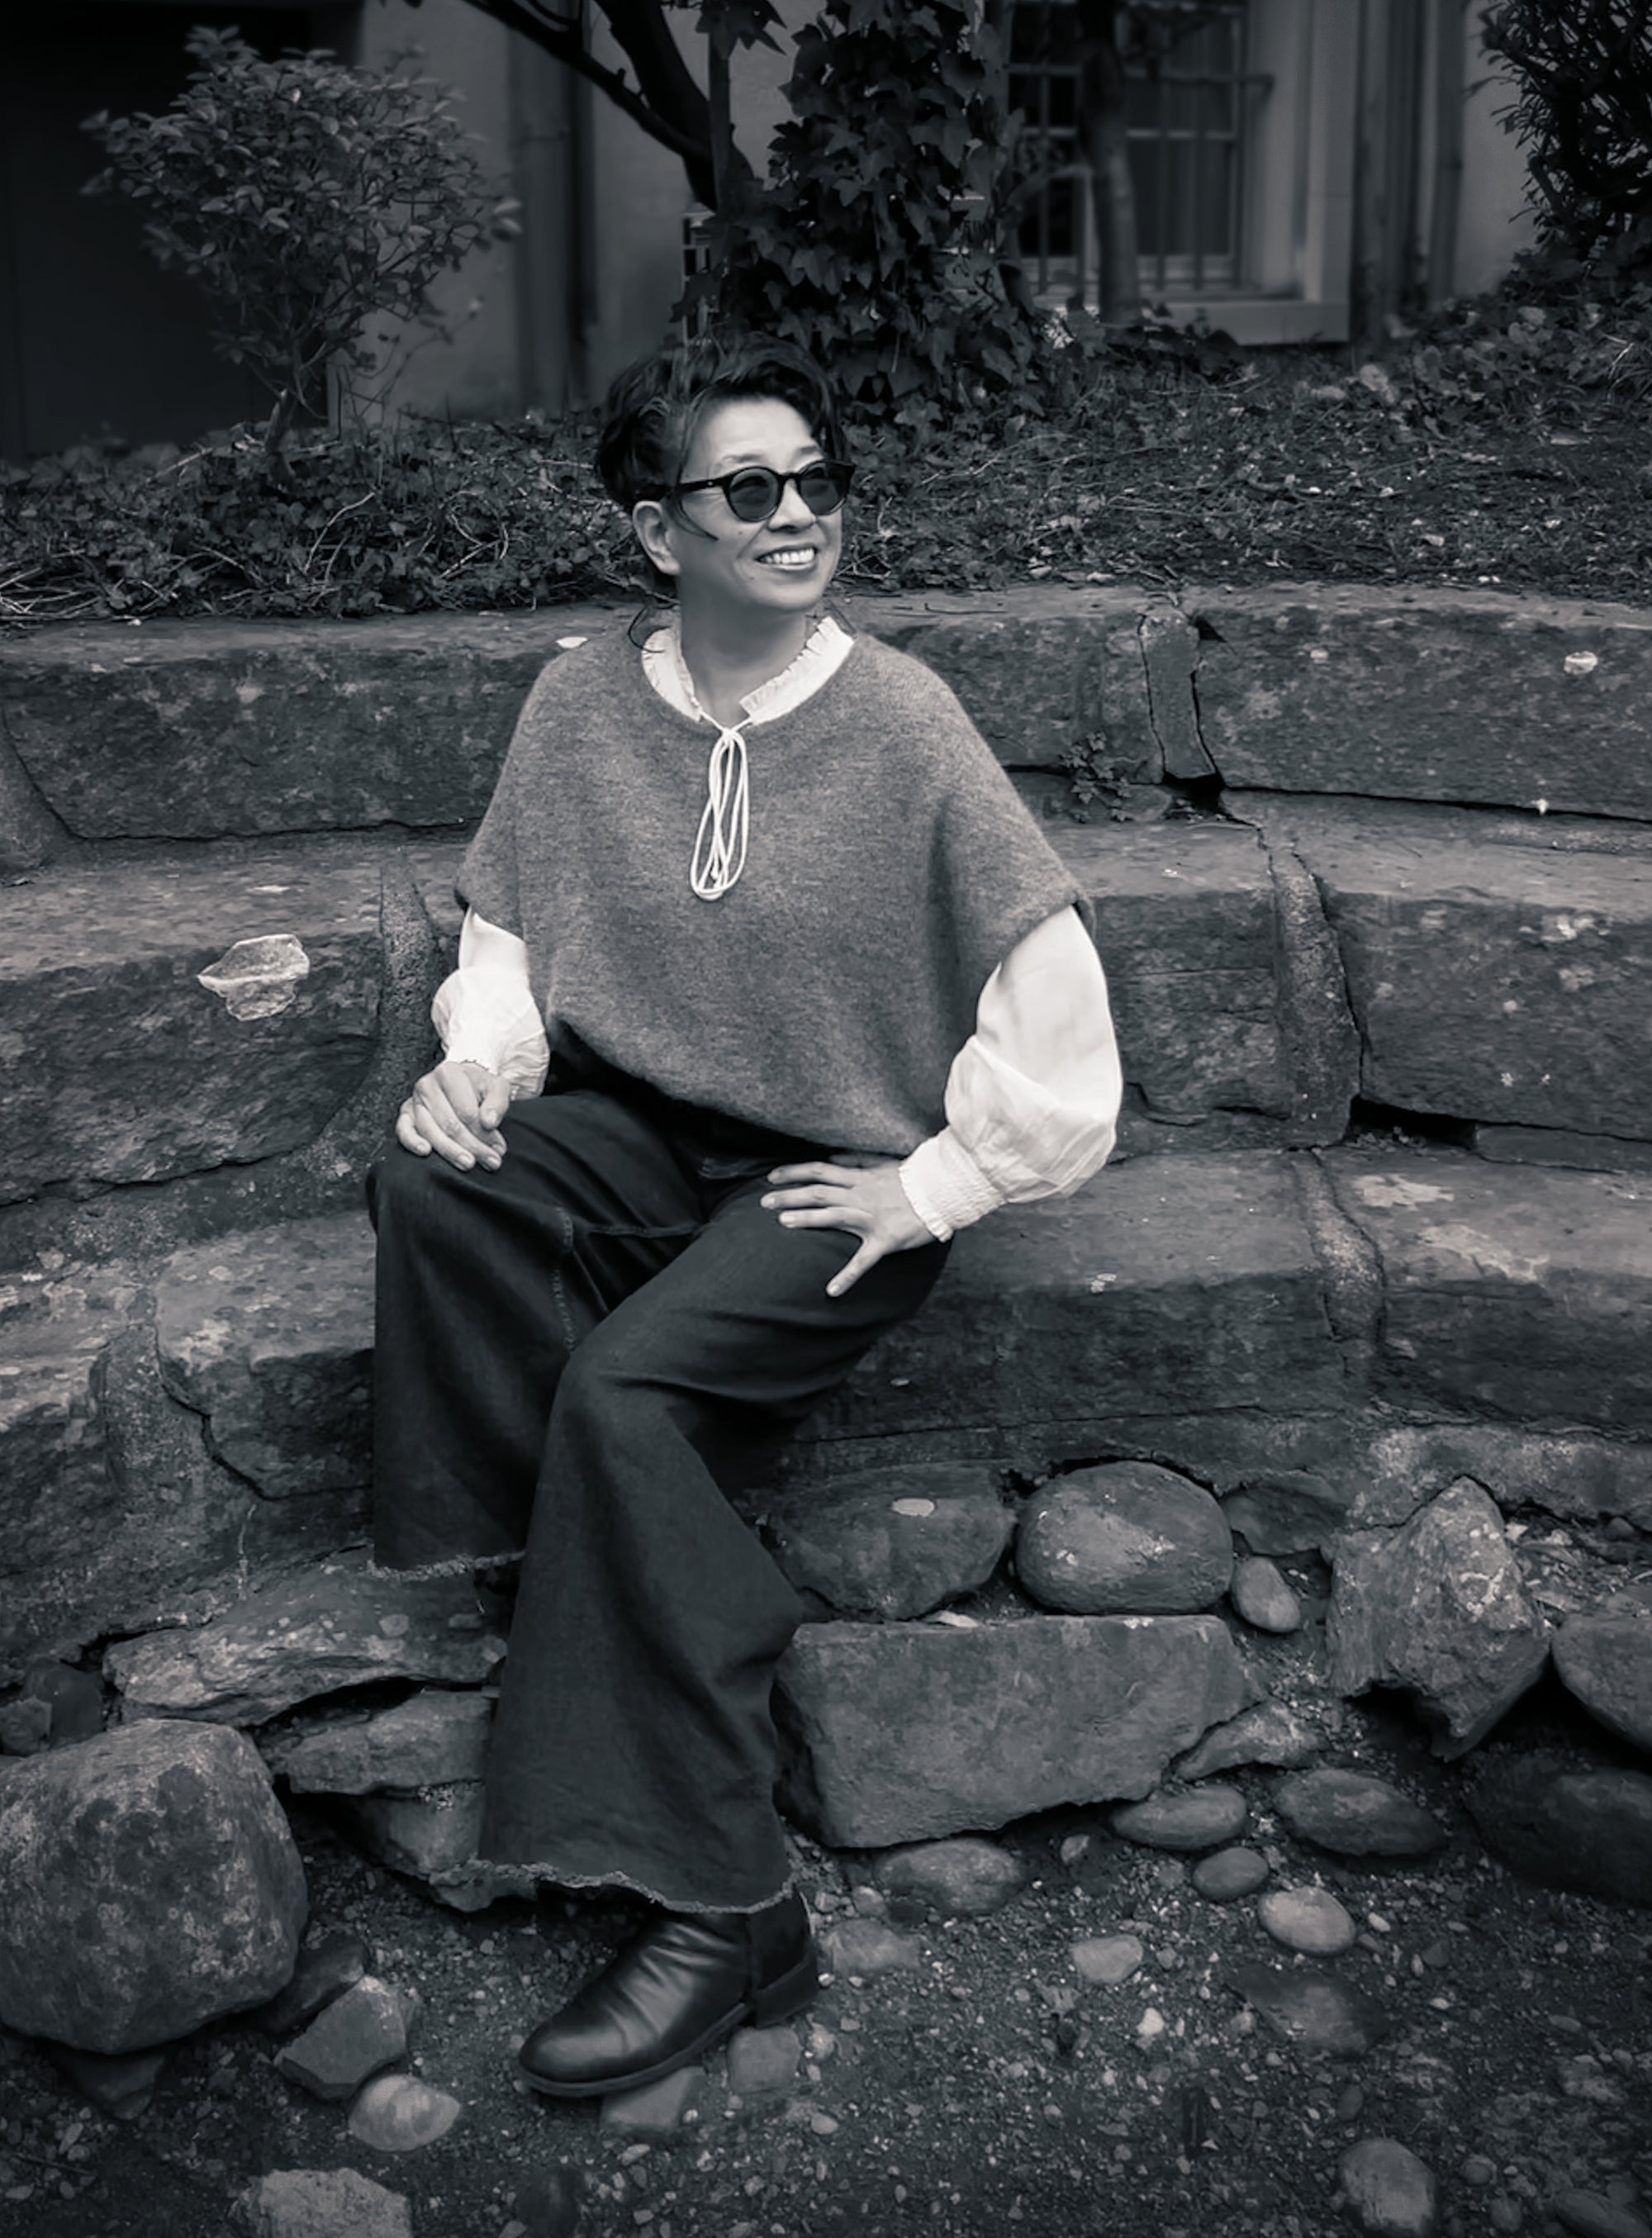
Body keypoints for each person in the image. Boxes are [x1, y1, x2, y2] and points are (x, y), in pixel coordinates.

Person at [367, 333, 1123, 2103]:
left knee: (627, 1395)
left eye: (818, 483)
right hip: (641, 1133)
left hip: (825, 1175)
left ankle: (728, 1906)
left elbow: (1064, 1024)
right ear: (658, 533)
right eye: (750, 490)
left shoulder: (905, 724)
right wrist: (475, 1067)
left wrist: (932, 1181)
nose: (798, 517)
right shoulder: (579, 701)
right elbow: (506, 945)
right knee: (434, 1178)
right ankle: (561, 1568)